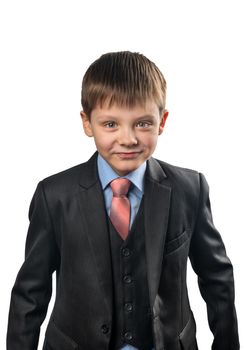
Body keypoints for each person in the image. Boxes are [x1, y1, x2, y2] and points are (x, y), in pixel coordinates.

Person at [7, 51, 239, 350]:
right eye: (111, 124)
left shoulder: (189, 189)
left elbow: (217, 277)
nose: (128, 139)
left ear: (162, 121)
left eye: (142, 123)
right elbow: (31, 292)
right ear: (87, 123)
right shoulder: (54, 196)